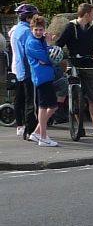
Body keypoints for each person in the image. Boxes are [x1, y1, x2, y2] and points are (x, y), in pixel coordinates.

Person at [55, 2, 93, 139]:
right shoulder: (71, 27)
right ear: (87, 14)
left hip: (89, 64)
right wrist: (58, 53)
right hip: (74, 64)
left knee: (92, 98)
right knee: (76, 97)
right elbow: (60, 43)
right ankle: (79, 127)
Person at [22, 15, 60, 147]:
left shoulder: (40, 40)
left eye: (40, 29)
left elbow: (49, 58)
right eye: (36, 30)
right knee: (43, 107)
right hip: (41, 77)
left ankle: (37, 133)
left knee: (53, 106)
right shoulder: (32, 43)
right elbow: (49, 57)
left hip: (47, 76)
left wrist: (48, 47)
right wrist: (48, 45)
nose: (38, 32)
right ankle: (43, 137)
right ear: (31, 29)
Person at [8, 3, 38, 138]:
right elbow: (29, 51)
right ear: (28, 18)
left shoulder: (17, 29)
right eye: (34, 17)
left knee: (20, 98)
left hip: (18, 67)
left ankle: (21, 126)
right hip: (27, 69)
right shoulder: (26, 31)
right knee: (30, 100)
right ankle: (29, 129)